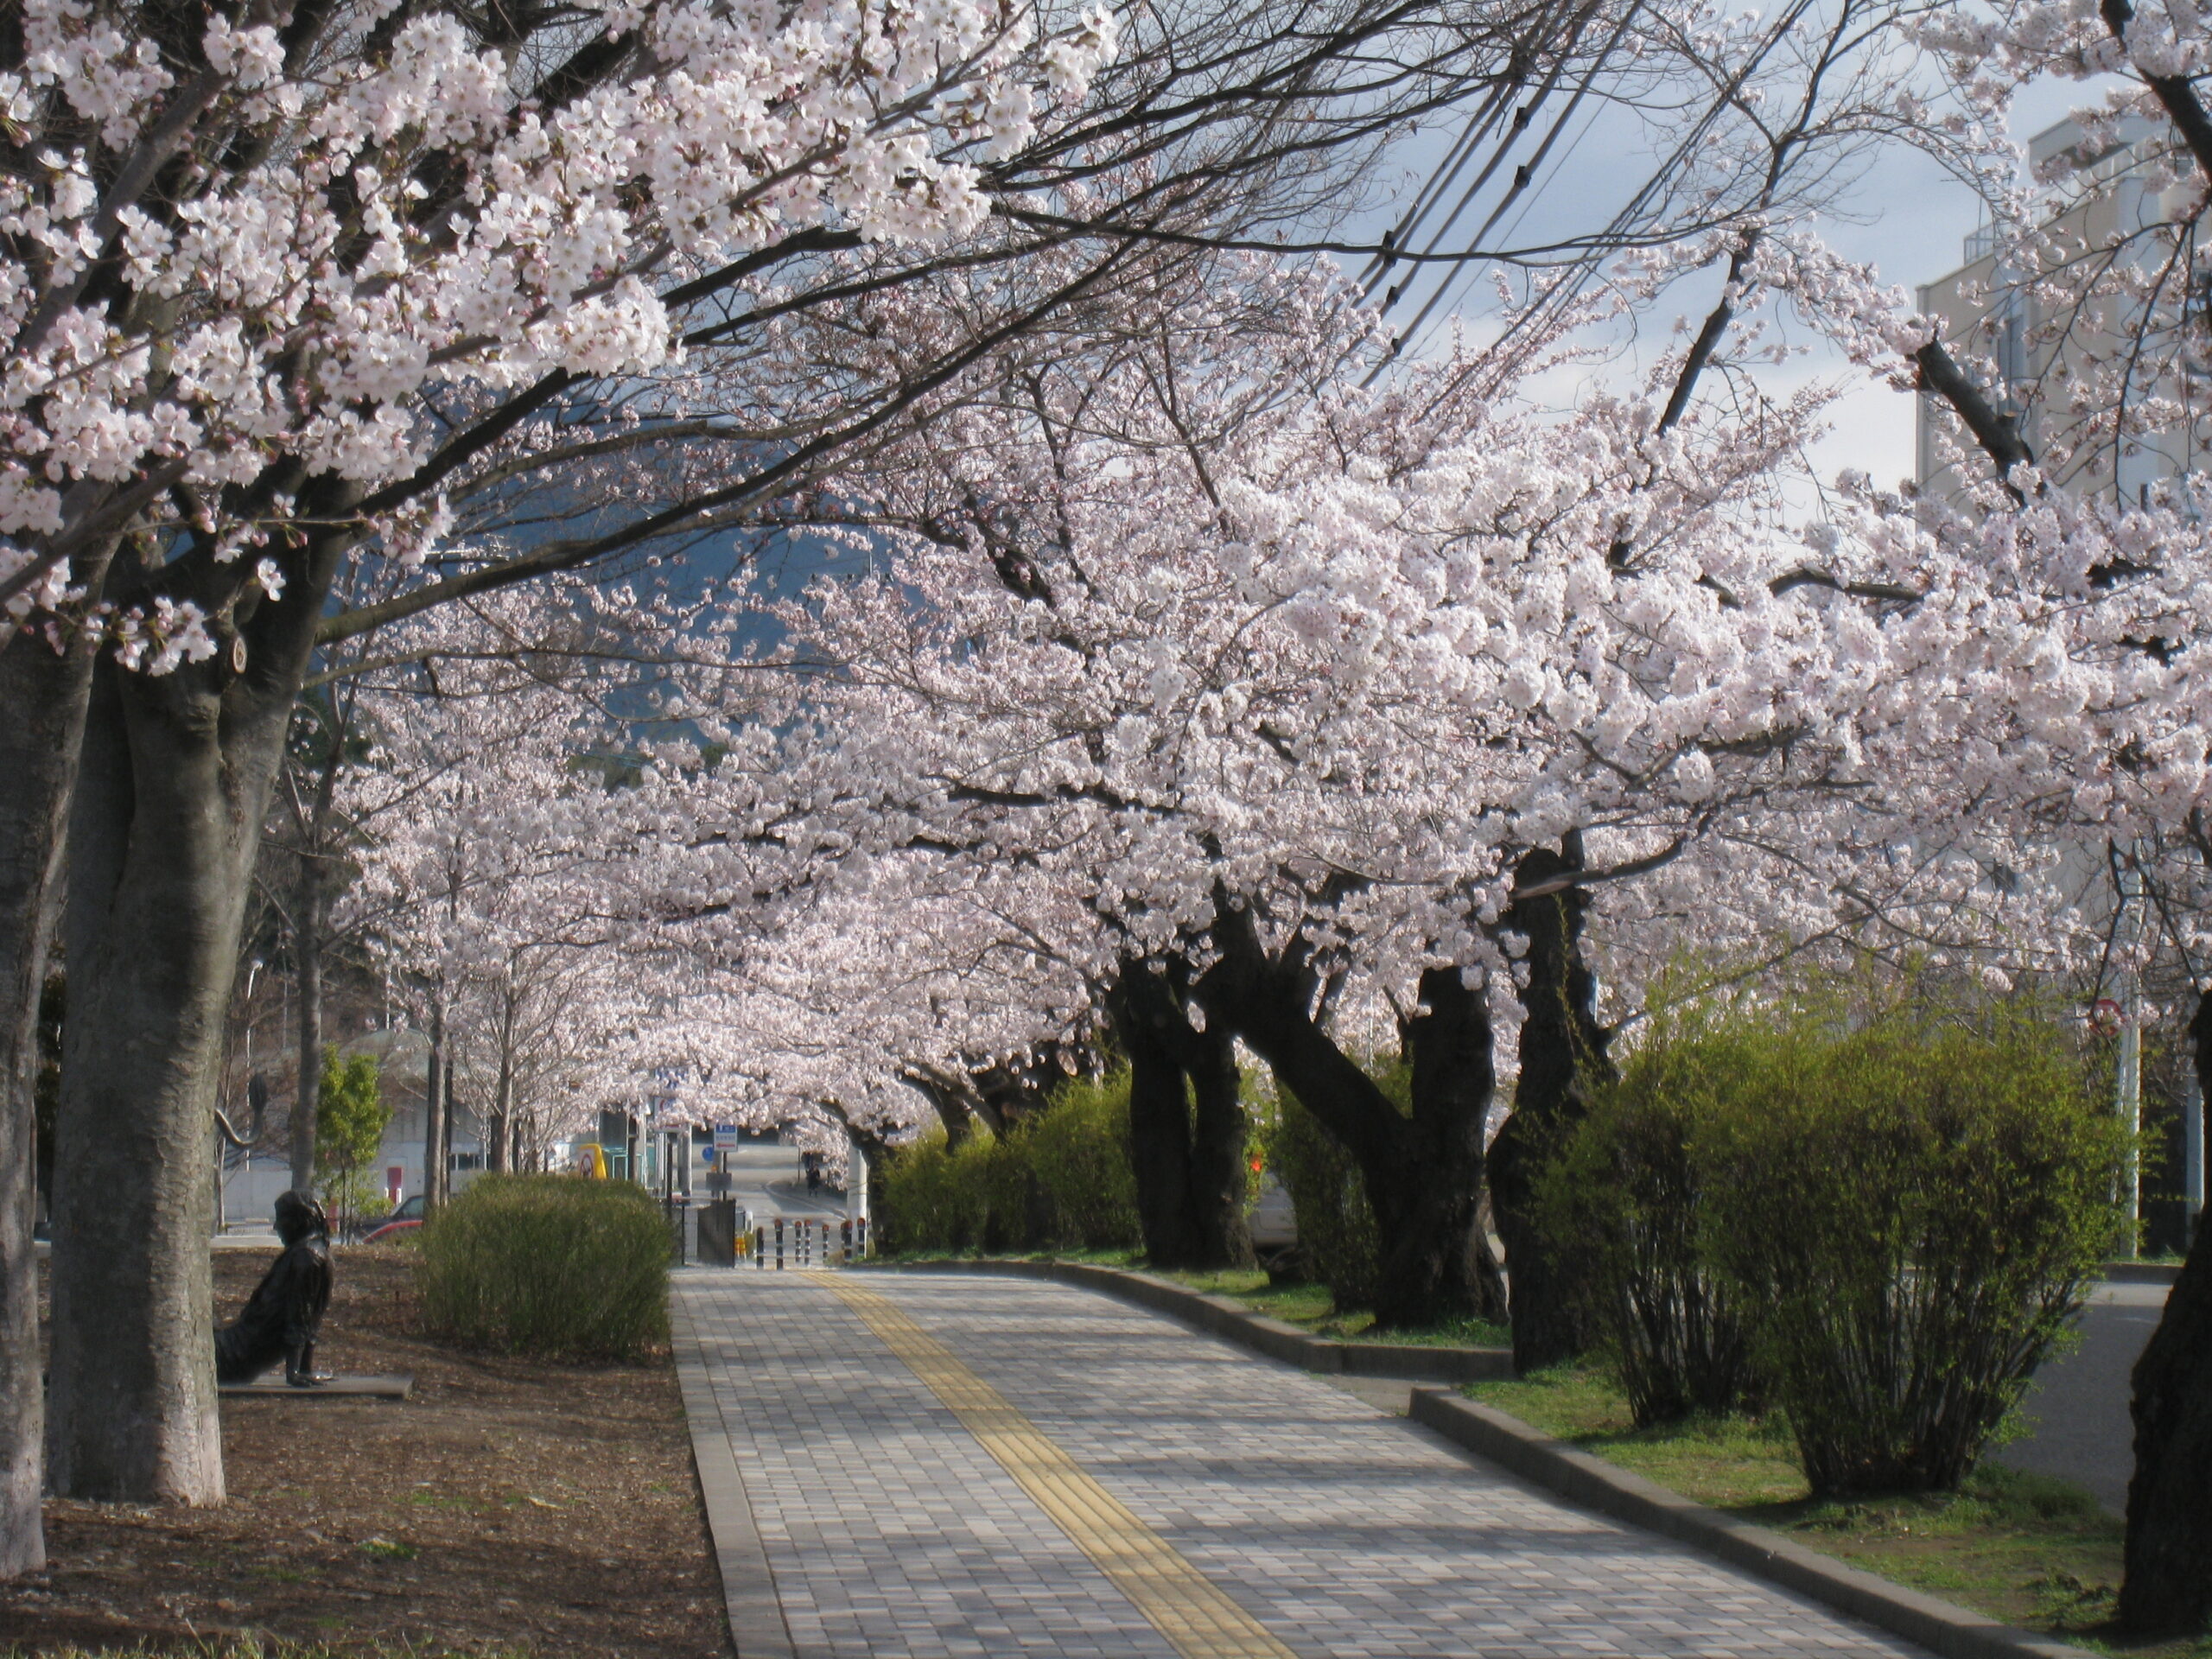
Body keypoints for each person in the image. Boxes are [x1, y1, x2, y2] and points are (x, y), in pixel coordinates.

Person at [214, 1191, 334, 1387]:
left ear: (299, 1221)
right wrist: (304, 1369)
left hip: (234, 1358)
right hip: (235, 1348)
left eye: (282, 1219)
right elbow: (310, 1318)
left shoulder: (306, 1257)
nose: (277, 1226)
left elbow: (301, 1316)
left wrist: (294, 1373)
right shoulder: (311, 1253)